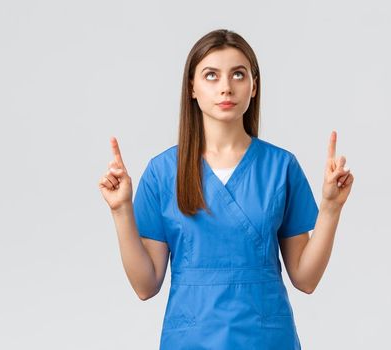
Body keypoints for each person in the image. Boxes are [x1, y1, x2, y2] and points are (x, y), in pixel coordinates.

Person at [98, 29, 354, 349]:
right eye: (211, 75)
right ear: (192, 87)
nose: (226, 87)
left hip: (266, 339)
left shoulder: (280, 168)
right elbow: (145, 286)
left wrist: (331, 208)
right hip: (191, 340)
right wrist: (121, 210)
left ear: (254, 86)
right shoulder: (164, 172)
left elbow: (306, 278)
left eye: (238, 74)